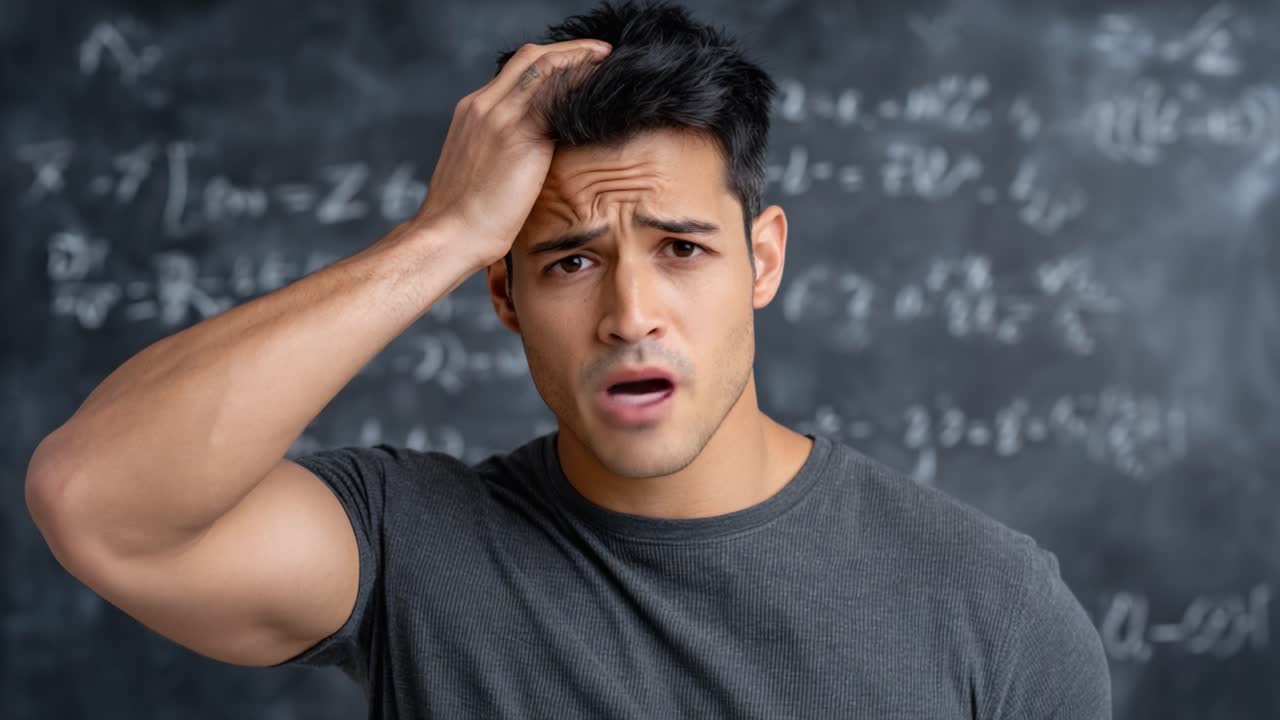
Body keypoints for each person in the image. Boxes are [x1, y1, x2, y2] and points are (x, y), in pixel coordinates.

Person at [24, 1, 1112, 717]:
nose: (630, 313)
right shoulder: (407, 552)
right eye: (567, 263)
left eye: (680, 249)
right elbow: (97, 499)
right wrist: (439, 237)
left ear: (760, 260)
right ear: (500, 294)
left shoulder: (993, 608)